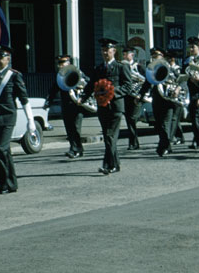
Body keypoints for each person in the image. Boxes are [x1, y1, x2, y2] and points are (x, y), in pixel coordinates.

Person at [0, 45, 36, 196]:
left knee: (1, 149)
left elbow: (24, 99)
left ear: (8, 59)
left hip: (8, 117)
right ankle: (11, 183)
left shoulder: (14, 76)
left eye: (1, 58)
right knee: (4, 152)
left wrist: (31, 120)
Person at [84, 38, 133, 175]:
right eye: (103, 50)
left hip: (116, 107)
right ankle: (116, 164)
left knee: (110, 136)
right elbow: (91, 85)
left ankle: (108, 165)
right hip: (102, 107)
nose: (105, 52)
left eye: (108, 50)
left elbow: (128, 86)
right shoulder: (99, 68)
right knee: (107, 136)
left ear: (114, 51)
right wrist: (83, 97)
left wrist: (112, 93)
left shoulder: (121, 67)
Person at [47, 53, 85, 158]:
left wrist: (80, 87)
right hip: (65, 104)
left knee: (76, 128)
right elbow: (54, 89)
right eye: (59, 63)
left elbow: (87, 82)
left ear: (68, 63)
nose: (60, 65)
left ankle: (75, 149)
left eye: (62, 63)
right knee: (69, 128)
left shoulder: (77, 72)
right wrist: (48, 102)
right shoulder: (60, 76)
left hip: (77, 104)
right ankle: (77, 148)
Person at [183, 37, 199, 150]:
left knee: (198, 119)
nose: (191, 49)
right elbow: (183, 76)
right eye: (190, 47)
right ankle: (198, 140)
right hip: (190, 93)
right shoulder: (187, 61)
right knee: (193, 119)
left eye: (193, 47)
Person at [122, 44, 146, 151]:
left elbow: (146, 80)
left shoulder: (138, 67)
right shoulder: (122, 66)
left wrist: (140, 94)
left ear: (132, 55)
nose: (124, 56)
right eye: (123, 54)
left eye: (126, 54)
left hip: (136, 96)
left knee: (132, 119)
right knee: (128, 119)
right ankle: (134, 142)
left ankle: (133, 142)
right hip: (126, 96)